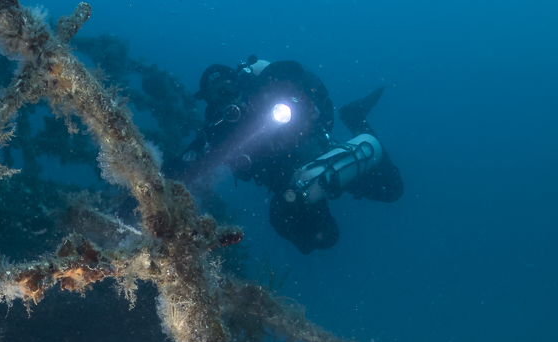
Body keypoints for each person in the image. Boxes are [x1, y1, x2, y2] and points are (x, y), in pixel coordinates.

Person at [166, 56, 403, 254]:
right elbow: (190, 161)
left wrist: (298, 114)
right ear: (210, 103)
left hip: (322, 160)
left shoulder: (267, 94)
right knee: (324, 237)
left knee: (392, 189)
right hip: (289, 188)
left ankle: (354, 118)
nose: (227, 96)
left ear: (239, 82)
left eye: (228, 86)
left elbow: (305, 98)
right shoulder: (218, 133)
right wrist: (158, 177)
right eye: (218, 94)